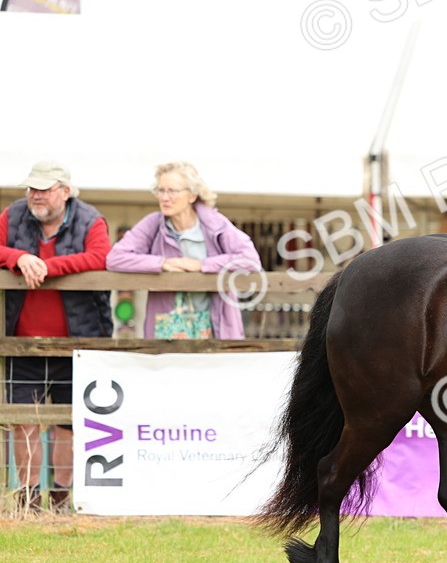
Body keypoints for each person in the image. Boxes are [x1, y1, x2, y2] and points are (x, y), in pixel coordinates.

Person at [0, 161, 112, 514]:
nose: (36, 196)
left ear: (65, 191)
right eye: (32, 188)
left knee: (68, 423)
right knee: (23, 421)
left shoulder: (91, 219)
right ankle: (28, 502)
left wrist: (48, 266)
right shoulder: (12, 215)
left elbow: (101, 256)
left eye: (45, 189)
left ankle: (62, 501)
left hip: (78, 342)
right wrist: (19, 257)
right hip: (22, 340)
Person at [106, 162, 261, 339]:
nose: (165, 197)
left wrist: (201, 264)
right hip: (166, 329)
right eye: (161, 190)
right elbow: (115, 258)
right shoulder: (153, 223)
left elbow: (250, 260)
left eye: (172, 191)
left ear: (192, 195)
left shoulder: (215, 223)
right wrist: (161, 263)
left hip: (214, 327)